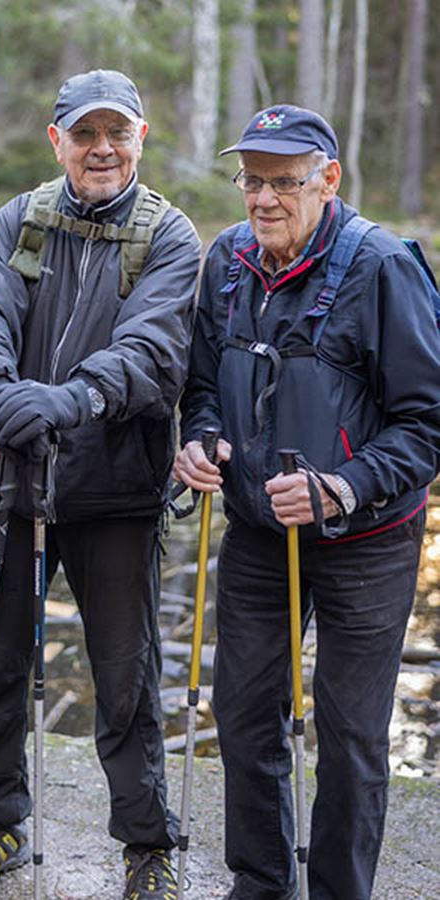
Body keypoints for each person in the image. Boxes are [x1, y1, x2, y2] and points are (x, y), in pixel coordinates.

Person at [174, 105, 440, 899]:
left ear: (328, 180)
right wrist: (201, 438)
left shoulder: (382, 267)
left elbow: (428, 422)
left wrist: (342, 485)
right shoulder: (226, 261)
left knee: (353, 736)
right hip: (259, 532)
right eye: (251, 180)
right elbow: (199, 386)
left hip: (369, 540)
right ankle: (259, 883)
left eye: (283, 182)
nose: (262, 199)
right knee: (246, 716)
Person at [0, 70, 201, 899]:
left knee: (124, 677)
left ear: (141, 136)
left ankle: (147, 845)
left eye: (116, 133)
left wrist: (70, 399)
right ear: (56, 139)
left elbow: (153, 351)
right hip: (21, 481)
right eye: (83, 134)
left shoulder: (171, 237)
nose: (101, 149)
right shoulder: (18, 220)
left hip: (120, 493)